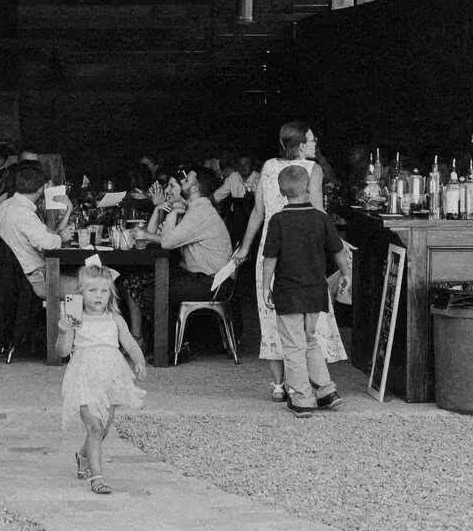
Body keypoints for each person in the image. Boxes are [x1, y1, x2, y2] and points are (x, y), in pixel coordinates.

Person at [234, 121, 348, 399]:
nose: (315, 143)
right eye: (311, 140)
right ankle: (315, 385)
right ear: (299, 146)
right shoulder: (313, 170)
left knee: (271, 315)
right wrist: (337, 244)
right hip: (306, 250)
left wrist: (245, 249)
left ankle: (279, 386)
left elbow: (258, 213)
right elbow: (319, 210)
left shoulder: (269, 168)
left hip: (272, 247)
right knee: (309, 322)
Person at [257, 165, 352, 416]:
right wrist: (346, 273)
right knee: (310, 340)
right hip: (315, 291)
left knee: (293, 346)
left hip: (288, 292)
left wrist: (265, 286)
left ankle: (301, 398)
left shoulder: (278, 220)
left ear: (281, 191)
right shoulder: (321, 218)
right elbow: (337, 250)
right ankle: (326, 391)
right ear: (308, 187)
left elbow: (270, 259)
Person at [56, 255, 147, 495]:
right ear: (80, 292)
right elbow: (63, 352)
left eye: (104, 291)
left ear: (111, 294)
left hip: (111, 377)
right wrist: (64, 332)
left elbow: (129, 342)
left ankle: (83, 455)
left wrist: (139, 361)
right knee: (94, 428)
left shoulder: (115, 318)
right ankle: (97, 478)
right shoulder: (75, 317)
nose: (98, 296)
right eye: (92, 290)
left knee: (103, 429)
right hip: (84, 377)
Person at [0, 161, 64, 354]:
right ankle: (67, 345)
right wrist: (61, 237)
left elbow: (43, 233)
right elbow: (48, 243)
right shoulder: (24, 213)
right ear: (41, 188)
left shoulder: (7, 205)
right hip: (33, 278)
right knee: (85, 282)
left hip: (15, 276)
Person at [151, 167, 235, 302]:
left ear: (195, 188)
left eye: (186, 179)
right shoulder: (197, 208)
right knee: (155, 282)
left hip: (213, 283)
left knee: (156, 289)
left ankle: (169, 323)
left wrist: (172, 213)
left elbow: (166, 242)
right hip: (209, 279)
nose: (182, 181)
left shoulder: (199, 212)